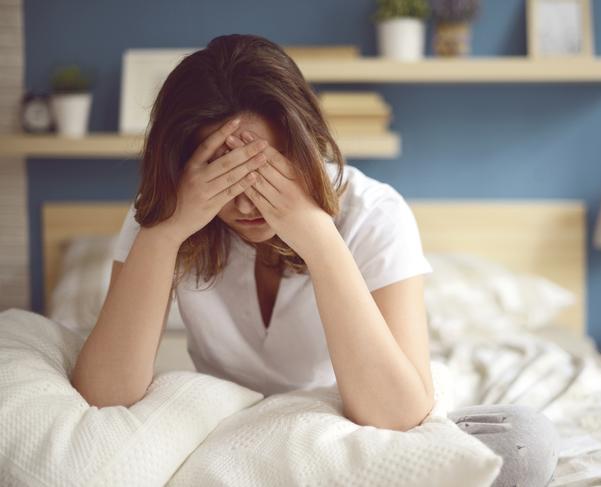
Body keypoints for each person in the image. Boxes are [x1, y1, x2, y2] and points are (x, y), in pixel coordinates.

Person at [70, 33, 559, 485]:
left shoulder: (373, 212)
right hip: (232, 432)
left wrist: (318, 237)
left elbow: (397, 414)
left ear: (305, 148)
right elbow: (106, 395)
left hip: (352, 425)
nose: (247, 204)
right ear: (181, 167)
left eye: (267, 173)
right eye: (223, 175)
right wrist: (167, 231)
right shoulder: (161, 215)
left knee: (523, 441)